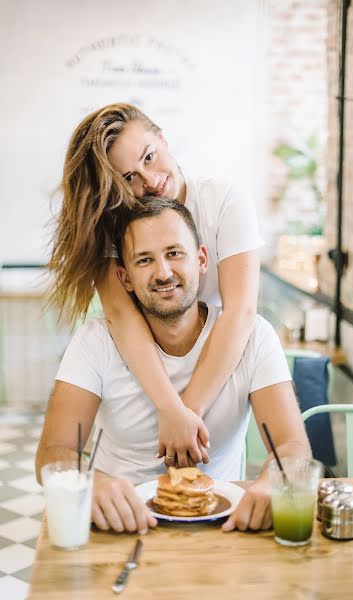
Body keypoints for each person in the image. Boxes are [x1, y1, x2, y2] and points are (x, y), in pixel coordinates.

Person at [36, 197, 311, 534]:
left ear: (201, 259)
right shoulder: (95, 341)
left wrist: (276, 480)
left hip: (222, 528)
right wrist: (87, 481)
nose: (163, 272)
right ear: (124, 277)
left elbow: (294, 448)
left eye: (174, 253)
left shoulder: (255, 337)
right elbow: (52, 452)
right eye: (145, 260)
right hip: (119, 528)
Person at [47, 103, 263, 468]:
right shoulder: (114, 223)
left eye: (150, 156)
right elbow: (120, 316)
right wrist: (168, 407)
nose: (149, 181)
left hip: (214, 360)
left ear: (163, 138)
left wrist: (186, 414)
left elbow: (239, 311)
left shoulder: (224, 201)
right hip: (140, 372)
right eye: (128, 177)